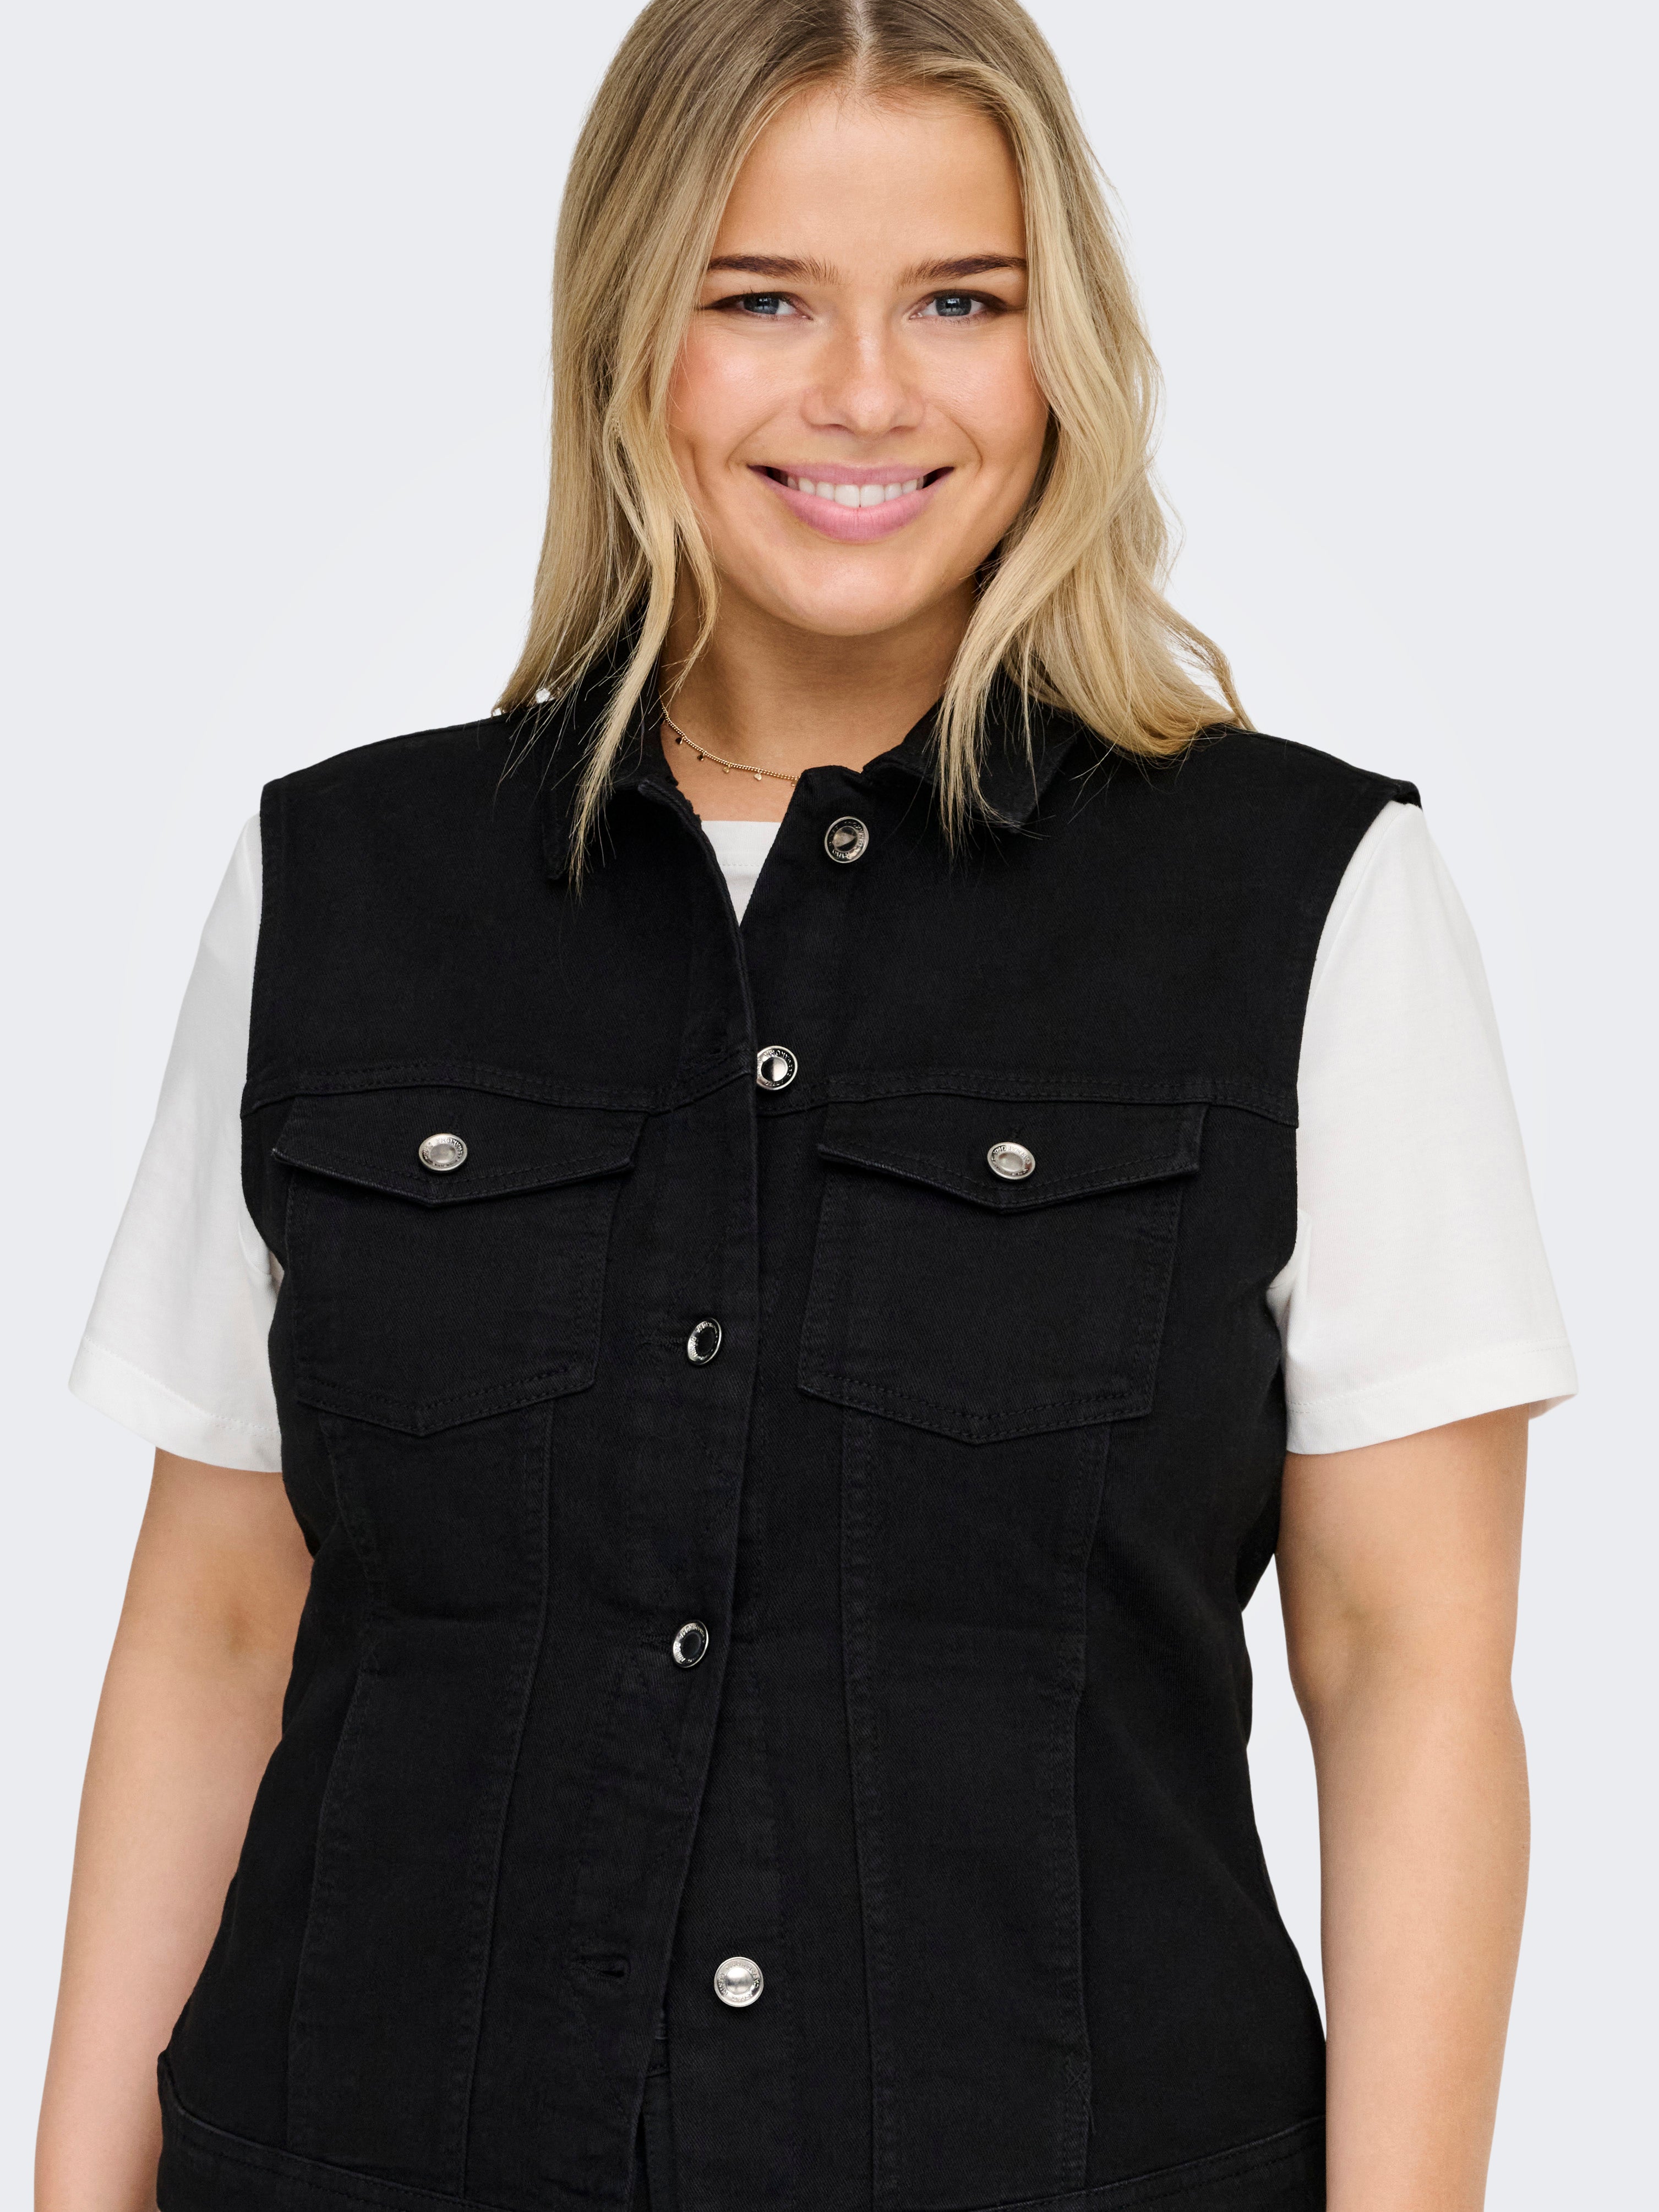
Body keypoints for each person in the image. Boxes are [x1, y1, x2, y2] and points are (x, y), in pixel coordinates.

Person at [39, 2, 1576, 2208]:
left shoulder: (1307, 898)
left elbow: (1404, 1660)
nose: (866, 393)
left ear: (1064, 352)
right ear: (625, 337)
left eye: (962, 301)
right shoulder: (341, 887)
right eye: (760, 299)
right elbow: (212, 1626)